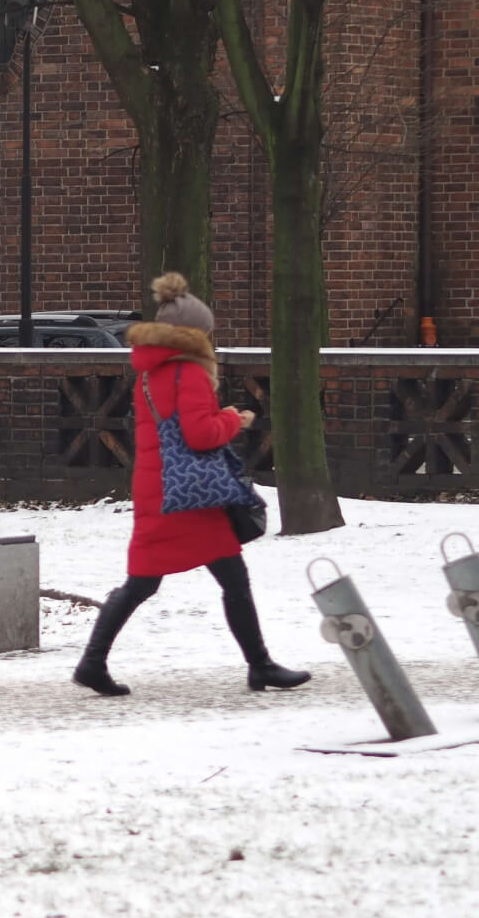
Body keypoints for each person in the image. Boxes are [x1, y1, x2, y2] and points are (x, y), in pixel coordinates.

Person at [72, 272, 310, 696]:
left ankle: (93, 662)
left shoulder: (151, 372)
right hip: (191, 496)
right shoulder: (189, 374)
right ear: (194, 335)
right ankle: (260, 666)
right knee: (228, 578)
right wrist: (233, 420)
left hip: (160, 488)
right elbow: (200, 434)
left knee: (145, 581)